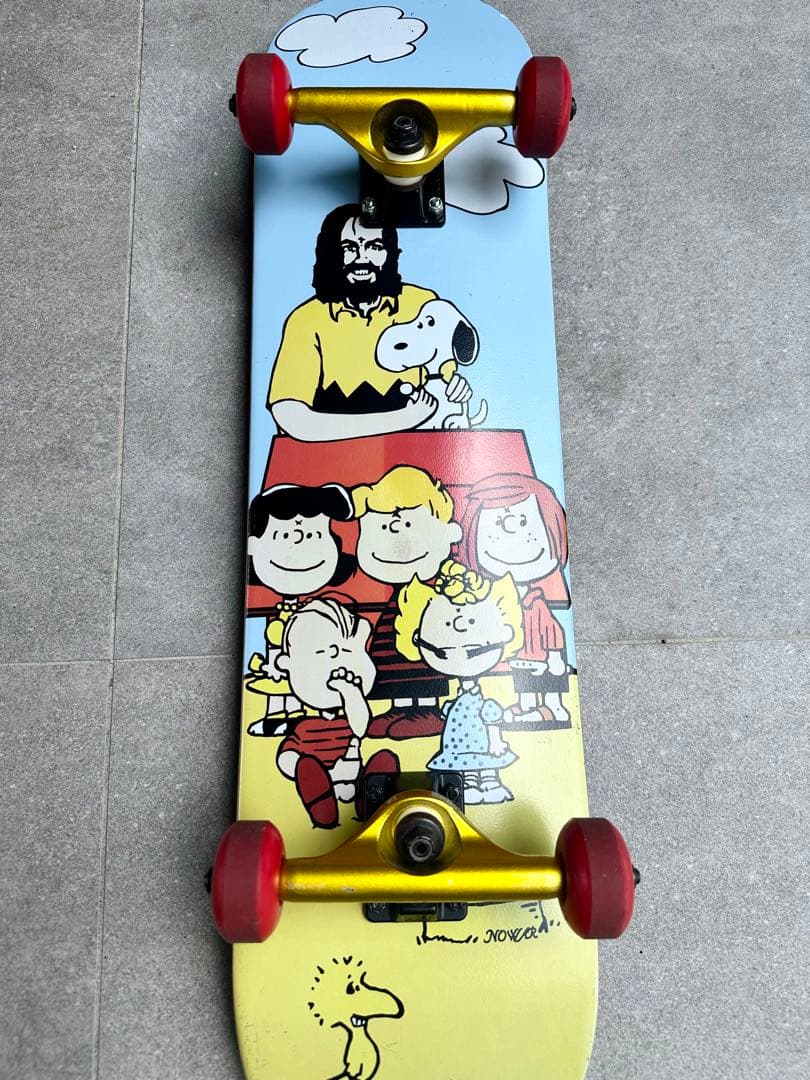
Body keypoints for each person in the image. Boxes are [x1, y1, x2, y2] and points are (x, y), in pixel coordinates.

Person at [267, 204, 471, 441]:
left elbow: (445, 367)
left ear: (390, 253)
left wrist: (453, 388)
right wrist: (402, 420)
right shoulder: (306, 320)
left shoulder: (421, 305)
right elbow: (290, 415)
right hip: (332, 456)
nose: (362, 258)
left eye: (374, 247)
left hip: (412, 450)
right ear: (331, 254)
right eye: (349, 248)